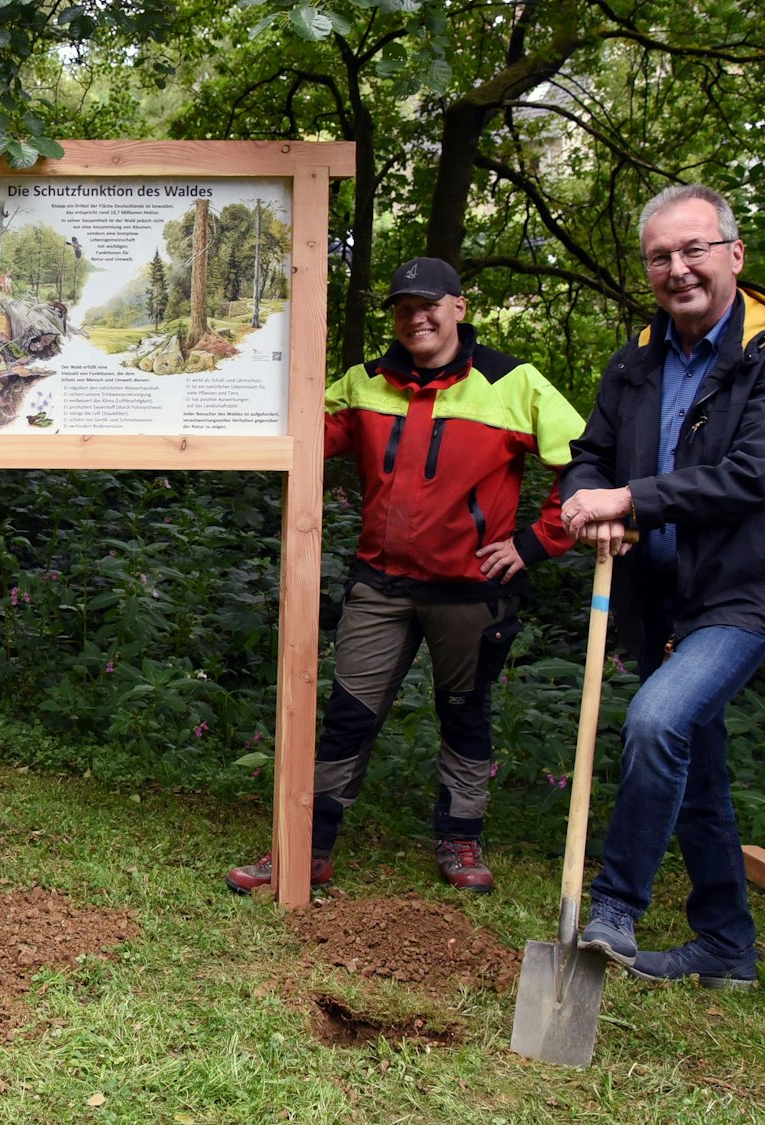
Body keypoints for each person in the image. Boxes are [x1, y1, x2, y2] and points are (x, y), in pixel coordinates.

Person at [227, 257, 583, 897]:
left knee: (465, 713)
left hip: (473, 589)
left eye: (429, 304)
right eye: (402, 307)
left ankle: (460, 838)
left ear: (458, 307)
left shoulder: (513, 382)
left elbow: (585, 461)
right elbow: (299, 432)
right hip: (380, 586)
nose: (416, 317)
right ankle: (307, 848)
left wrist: (535, 542)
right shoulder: (365, 381)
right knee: (347, 715)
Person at [565, 184, 765, 988]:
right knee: (697, 764)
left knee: (657, 721)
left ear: (734, 255)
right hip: (660, 591)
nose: (677, 269)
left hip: (747, 593)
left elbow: (752, 477)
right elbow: (591, 454)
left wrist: (633, 499)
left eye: (694, 250)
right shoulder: (637, 357)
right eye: (660, 256)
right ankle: (726, 943)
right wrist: (594, 500)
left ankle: (614, 904)